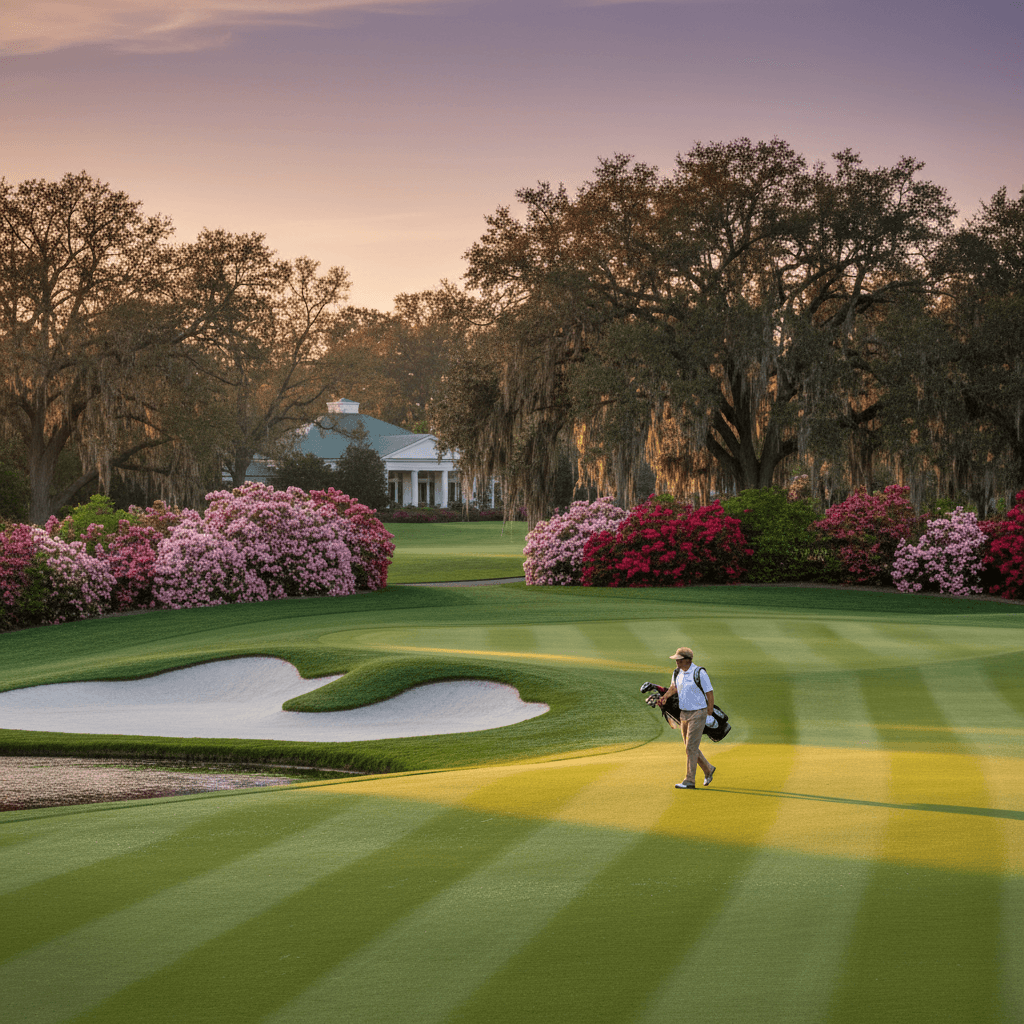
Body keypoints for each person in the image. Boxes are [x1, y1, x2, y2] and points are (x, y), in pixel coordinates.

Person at [658, 646, 716, 789]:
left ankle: (689, 780)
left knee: (691, 747)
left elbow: (709, 693)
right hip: (683, 713)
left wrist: (709, 713)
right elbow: (674, 688)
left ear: (687, 660)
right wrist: (664, 697)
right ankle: (708, 769)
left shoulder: (699, 672)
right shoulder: (677, 672)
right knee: (689, 747)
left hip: (699, 713)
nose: (676, 662)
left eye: (679, 660)